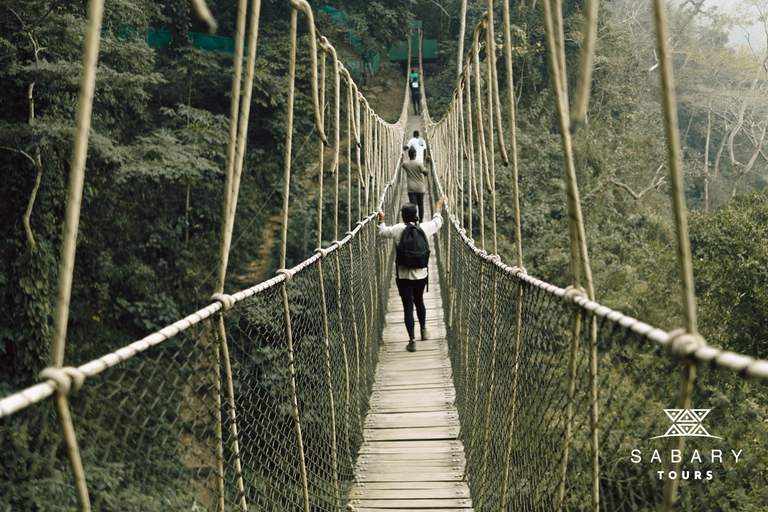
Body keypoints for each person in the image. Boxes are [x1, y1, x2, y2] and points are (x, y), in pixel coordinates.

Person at [377, 196, 446, 352]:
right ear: (417, 215)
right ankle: (423, 331)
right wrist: (437, 207)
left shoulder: (398, 229)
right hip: (421, 274)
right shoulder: (424, 227)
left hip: (403, 276)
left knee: (408, 307)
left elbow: (382, 232)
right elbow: (438, 222)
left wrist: (381, 216)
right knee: (419, 301)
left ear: (403, 216)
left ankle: (412, 340)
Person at [402, 146, 429, 222]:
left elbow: (402, 163)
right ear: (415, 155)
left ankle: (413, 221)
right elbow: (426, 173)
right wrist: (427, 163)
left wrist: (403, 156)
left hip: (411, 188)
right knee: (421, 204)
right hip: (420, 188)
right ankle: (421, 221)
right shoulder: (419, 164)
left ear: (409, 155)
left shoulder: (406, 164)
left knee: (412, 206)